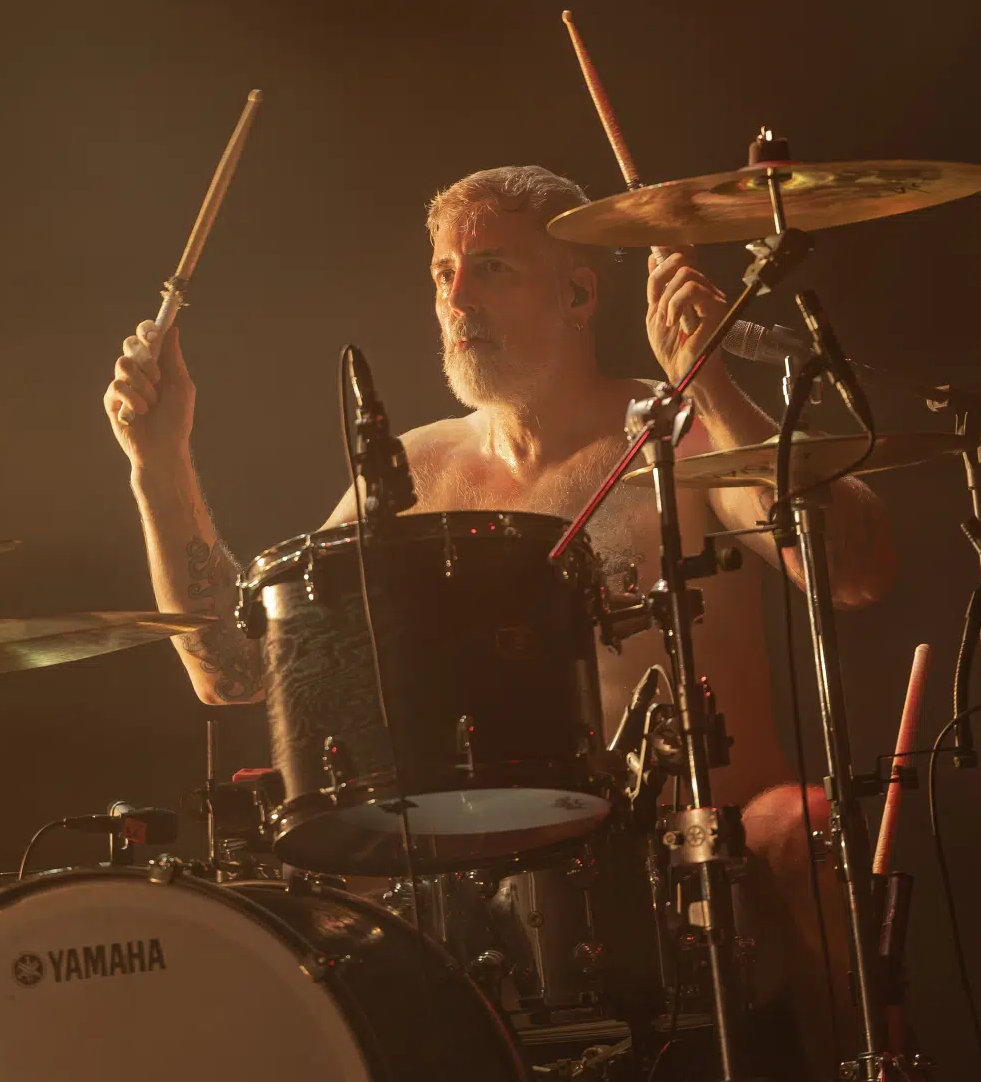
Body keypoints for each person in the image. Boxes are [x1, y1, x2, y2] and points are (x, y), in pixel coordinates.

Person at [104, 165, 896, 1077]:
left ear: (579, 294)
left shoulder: (678, 433)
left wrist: (708, 382)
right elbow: (236, 671)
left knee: (804, 823)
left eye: (491, 268)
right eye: (443, 273)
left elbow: (855, 572)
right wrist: (158, 464)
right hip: (470, 865)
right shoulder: (414, 472)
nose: (456, 299)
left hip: (699, 851)